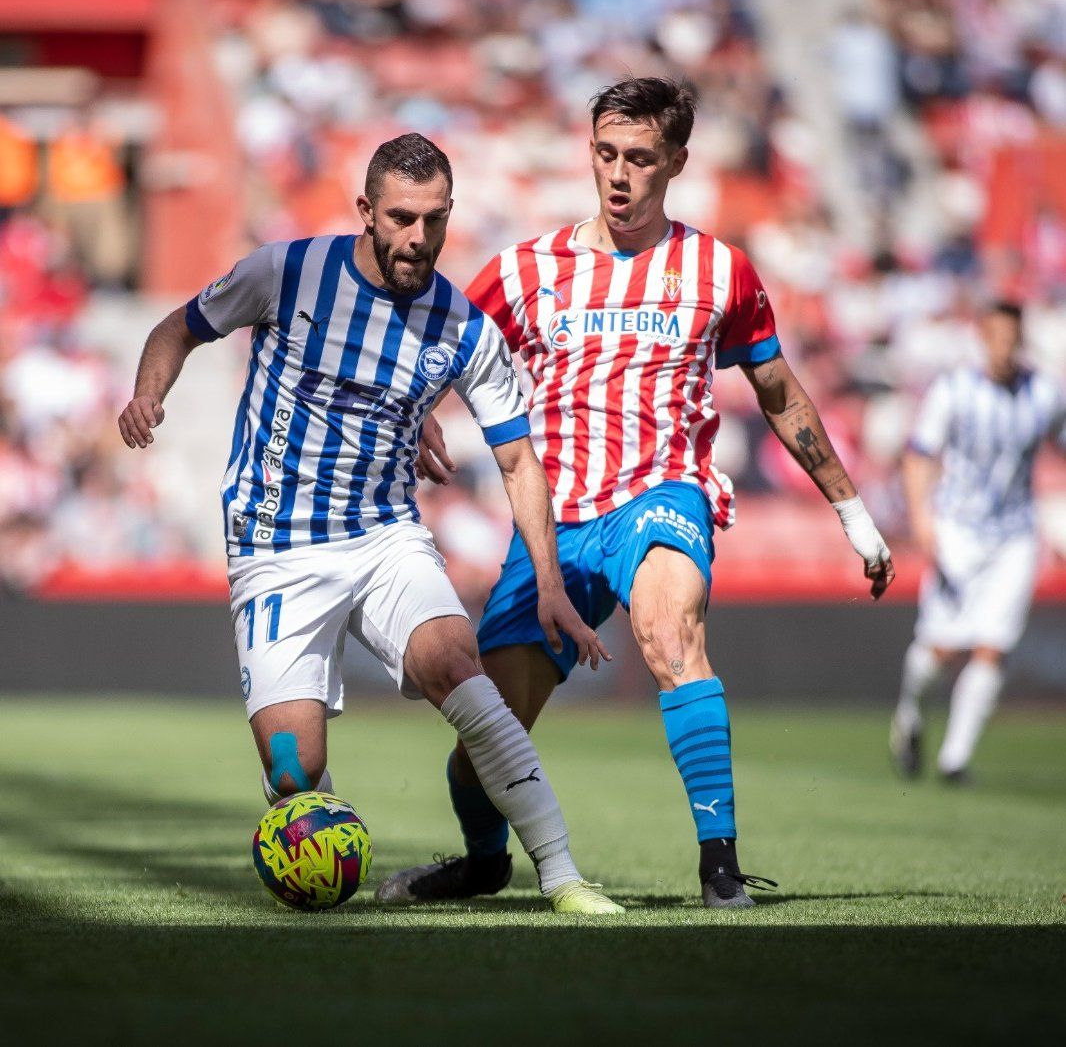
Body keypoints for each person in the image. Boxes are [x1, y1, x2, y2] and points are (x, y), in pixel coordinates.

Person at [377, 78, 894, 911]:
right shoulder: (524, 269)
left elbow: (779, 391)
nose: (619, 176)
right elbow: (437, 350)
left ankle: (719, 866)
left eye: (641, 159)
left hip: (662, 495)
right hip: (552, 523)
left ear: (677, 162)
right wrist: (418, 413)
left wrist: (852, 511)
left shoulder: (718, 270)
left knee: (668, 631)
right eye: (606, 154)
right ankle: (483, 862)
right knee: (485, 729)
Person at [118, 133, 623, 915]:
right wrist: (149, 395)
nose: (418, 238)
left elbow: (521, 464)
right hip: (275, 547)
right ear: (366, 211)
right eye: (400, 218)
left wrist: (550, 586)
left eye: (434, 219)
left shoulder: (462, 327)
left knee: (462, 671)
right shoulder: (286, 272)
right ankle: (312, 843)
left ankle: (561, 877)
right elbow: (175, 330)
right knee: (293, 774)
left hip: (385, 535)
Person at [891, 301, 1066, 782]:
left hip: (1015, 535)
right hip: (958, 531)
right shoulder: (954, 391)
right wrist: (923, 521)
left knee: (993, 647)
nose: (1005, 348)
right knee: (941, 649)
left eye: (1013, 338)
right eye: (997, 338)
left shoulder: (1044, 394)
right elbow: (919, 455)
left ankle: (956, 759)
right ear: (983, 339)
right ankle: (909, 714)